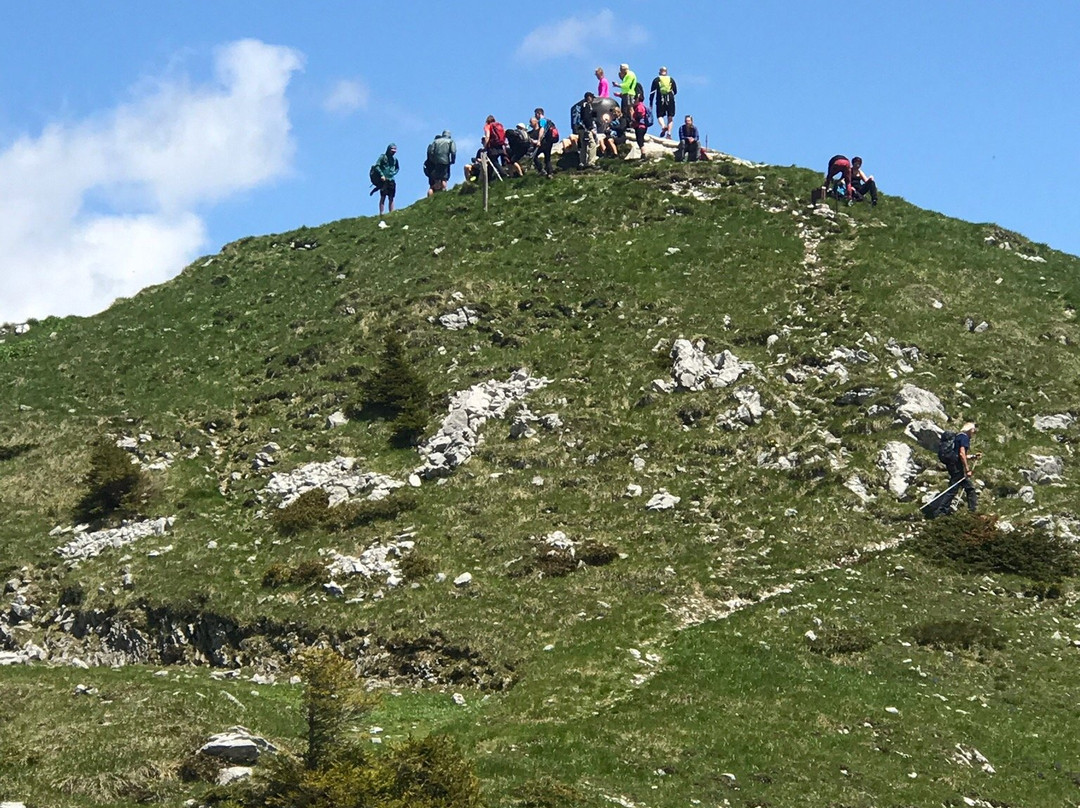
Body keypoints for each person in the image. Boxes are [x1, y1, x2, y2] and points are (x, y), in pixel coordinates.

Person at [932, 423, 981, 517]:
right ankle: (941, 512)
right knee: (955, 488)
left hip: (952, 464)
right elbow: (962, 454)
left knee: (966, 487)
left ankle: (971, 511)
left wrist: (973, 456)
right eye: (973, 430)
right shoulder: (965, 438)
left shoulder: (958, 437)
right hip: (956, 467)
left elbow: (958, 454)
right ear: (970, 430)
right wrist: (967, 470)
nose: (974, 433)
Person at [650, 67, 678, 139]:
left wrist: (651, 103)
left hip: (660, 99)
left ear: (659, 72)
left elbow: (652, 92)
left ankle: (663, 126)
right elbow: (675, 91)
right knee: (670, 117)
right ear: (666, 72)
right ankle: (669, 133)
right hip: (670, 99)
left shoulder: (656, 80)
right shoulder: (671, 79)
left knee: (660, 115)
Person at [425, 130, 456, 197]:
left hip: (436, 163)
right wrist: (452, 161)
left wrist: (433, 161)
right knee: (444, 178)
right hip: (445, 162)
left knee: (436, 180)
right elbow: (453, 152)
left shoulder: (435, 141)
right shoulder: (450, 141)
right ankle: (444, 192)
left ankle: (430, 197)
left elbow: (431, 152)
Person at [373, 143, 398, 215]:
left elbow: (397, 168)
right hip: (383, 180)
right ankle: (381, 213)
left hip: (391, 179)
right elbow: (376, 166)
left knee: (391, 197)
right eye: (392, 151)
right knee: (383, 196)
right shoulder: (382, 157)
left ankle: (392, 212)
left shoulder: (395, 159)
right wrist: (381, 174)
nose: (393, 152)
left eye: (394, 151)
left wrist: (393, 173)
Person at [576, 92, 598, 169]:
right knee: (592, 145)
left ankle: (582, 163)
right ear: (589, 97)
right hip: (586, 129)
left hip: (581, 129)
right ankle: (591, 162)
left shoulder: (582, 105)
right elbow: (586, 118)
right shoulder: (586, 105)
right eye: (592, 98)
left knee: (583, 146)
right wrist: (590, 128)